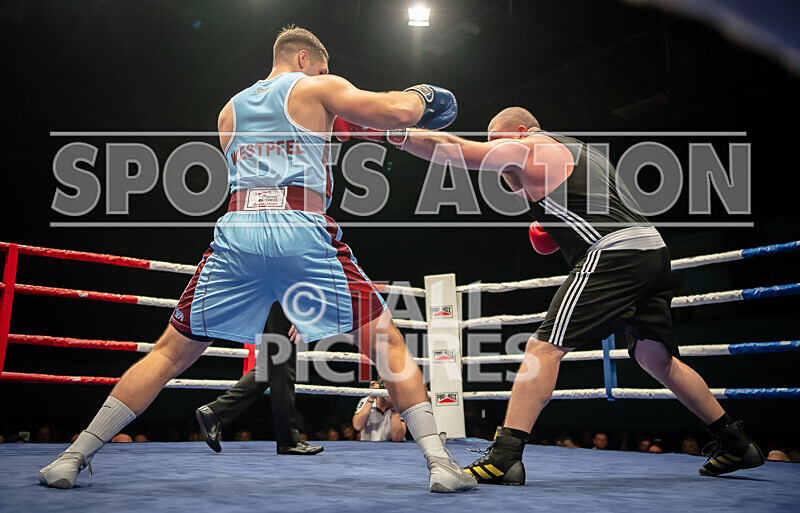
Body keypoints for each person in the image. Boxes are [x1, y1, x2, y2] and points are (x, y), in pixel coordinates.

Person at [38, 25, 475, 493]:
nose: (329, 76)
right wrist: (423, 94)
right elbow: (397, 109)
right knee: (386, 343)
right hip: (299, 226)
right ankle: (441, 465)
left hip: (239, 229)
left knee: (168, 352)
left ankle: (73, 456)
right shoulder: (315, 86)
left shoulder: (229, 110)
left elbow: (264, 159)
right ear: (306, 60)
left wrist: (329, 130)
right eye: (324, 68)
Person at [335, 105, 765, 484]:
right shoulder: (579, 150)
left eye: (497, 143)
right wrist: (556, 232)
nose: (498, 157)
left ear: (518, 132)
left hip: (614, 253)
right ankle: (735, 440)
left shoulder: (528, 145)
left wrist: (387, 131)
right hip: (651, 250)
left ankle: (505, 456)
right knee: (657, 359)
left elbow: (453, 149)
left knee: (543, 346)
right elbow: (596, 210)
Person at [194, 302, 322, 455]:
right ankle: (289, 441)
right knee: (281, 364)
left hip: (274, 297)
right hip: (281, 298)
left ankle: (214, 412)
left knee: (269, 369)